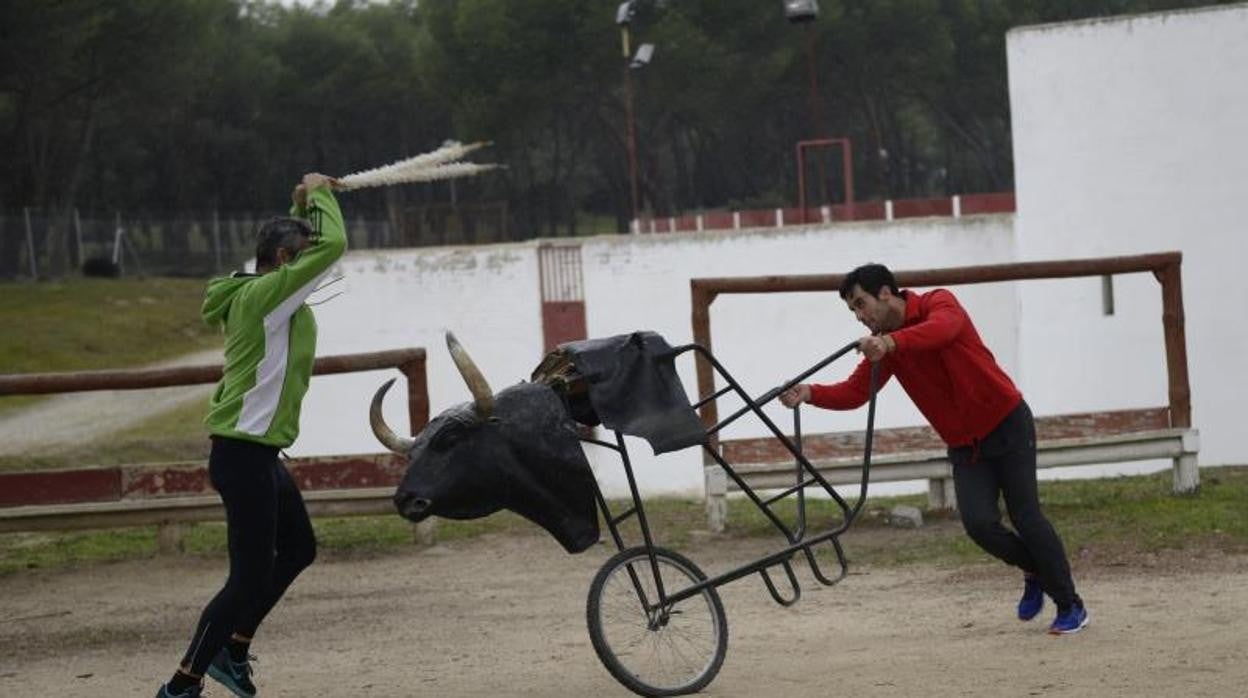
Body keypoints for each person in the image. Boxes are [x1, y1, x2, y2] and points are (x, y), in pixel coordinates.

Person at [779, 263, 1089, 635]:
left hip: (1006, 422)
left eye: (862, 305)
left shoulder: (938, 304)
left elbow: (943, 332)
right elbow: (856, 391)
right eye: (854, 311)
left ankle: (1070, 605)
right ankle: (1035, 570)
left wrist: (890, 343)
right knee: (979, 525)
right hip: (965, 446)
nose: (861, 317)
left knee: (1027, 517)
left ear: (886, 293)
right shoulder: (884, 345)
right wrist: (810, 393)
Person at [157, 172, 347, 698]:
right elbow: (336, 243)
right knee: (245, 578)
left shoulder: (269, 292)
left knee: (299, 548)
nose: (317, 268)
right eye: (303, 258)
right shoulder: (269, 295)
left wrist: (304, 201)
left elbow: (319, 244)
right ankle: (182, 684)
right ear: (286, 261)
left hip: (259, 456)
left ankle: (233, 650)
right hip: (242, 457)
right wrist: (324, 194)